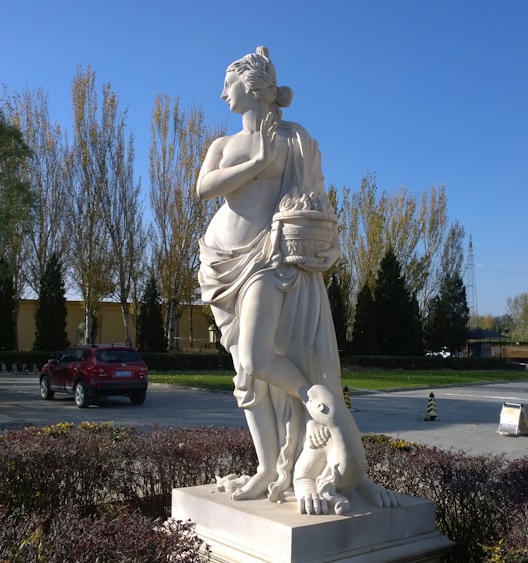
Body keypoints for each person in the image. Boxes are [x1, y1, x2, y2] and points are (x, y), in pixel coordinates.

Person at [196, 46, 345, 504]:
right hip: (220, 263)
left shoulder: (295, 139)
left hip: (269, 258)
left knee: (261, 359)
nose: (223, 92)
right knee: (247, 373)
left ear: (254, 85)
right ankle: (265, 467)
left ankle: (311, 396)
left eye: (230, 82)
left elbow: (315, 202)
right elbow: (203, 189)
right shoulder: (223, 146)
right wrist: (257, 164)